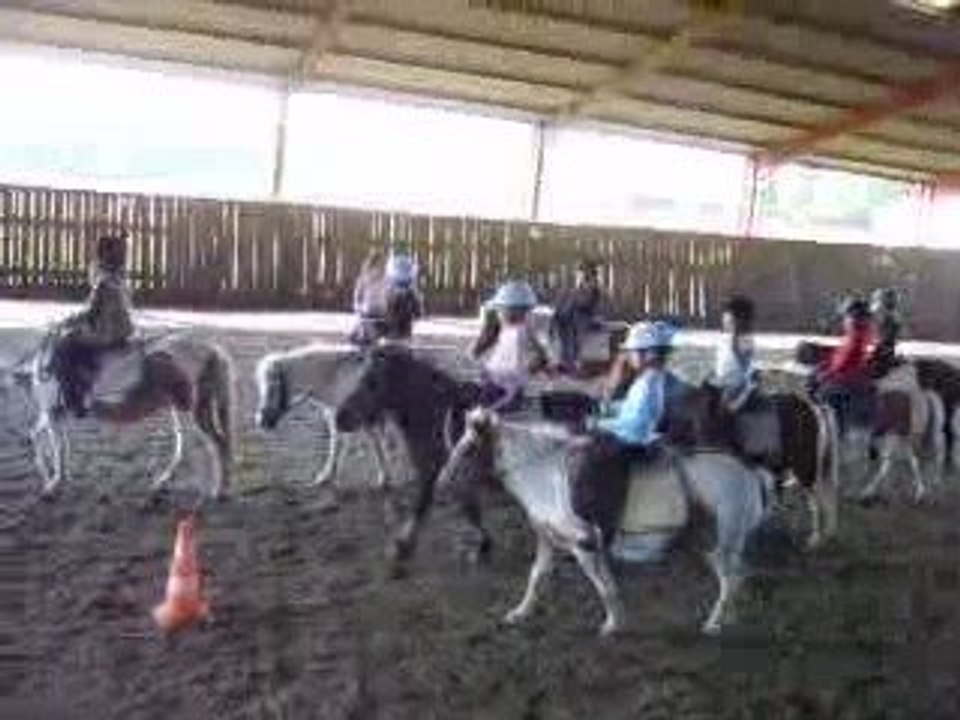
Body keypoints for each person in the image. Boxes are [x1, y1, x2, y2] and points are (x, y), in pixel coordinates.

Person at [571, 320, 679, 546]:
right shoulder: (648, 378)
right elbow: (630, 409)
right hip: (634, 433)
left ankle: (602, 524)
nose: (629, 357)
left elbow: (635, 423)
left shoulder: (649, 382)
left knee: (592, 460)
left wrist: (601, 425)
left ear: (648, 354)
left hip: (634, 439)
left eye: (633, 353)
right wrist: (608, 410)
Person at [49, 233, 135, 417]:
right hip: (124, 331)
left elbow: (90, 313)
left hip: (106, 333)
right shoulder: (120, 277)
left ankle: (73, 401)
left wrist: (65, 323)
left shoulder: (103, 283)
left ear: (101, 256)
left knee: (63, 347)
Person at [471, 280, 548, 412]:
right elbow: (541, 357)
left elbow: (541, 357)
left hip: (503, 392)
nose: (499, 313)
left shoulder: (520, 331)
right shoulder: (512, 331)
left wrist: (524, 373)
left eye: (500, 310)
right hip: (502, 389)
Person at [810, 296, 876, 433]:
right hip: (850, 376)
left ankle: (834, 430)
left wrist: (824, 375)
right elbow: (839, 358)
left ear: (853, 317)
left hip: (850, 381)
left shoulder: (857, 337)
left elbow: (846, 364)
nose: (845, 321)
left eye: (847, 317)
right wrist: (824, 366)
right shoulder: (856, 335)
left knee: (822, 392)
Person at [551, 259, 603, 374]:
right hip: (569, 316)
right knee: (560, 324)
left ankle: (571, 361)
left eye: (583, 273)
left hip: (583, 317)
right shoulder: (572, 289)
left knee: (573, 327)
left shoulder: (593, 288)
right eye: (579, 273)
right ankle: (561, 359)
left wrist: (577, 293)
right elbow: (563, 301)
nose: (580, 276)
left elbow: (585, 303)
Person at [711, 295, 760, 413]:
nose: (723, 319)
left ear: (739, 319)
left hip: (738, 385)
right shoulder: (727, 338)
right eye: (724, 316)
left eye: (727, 316)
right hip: (724, 381)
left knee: (723, 409)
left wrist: (736, 348)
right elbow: (723, 364)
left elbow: (745, 366)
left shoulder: (744, 338)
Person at [349, 250, 391, 347]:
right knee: (364, 330)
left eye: (382, 266)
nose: (379, 269)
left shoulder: (387, 279)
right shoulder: (363, 279)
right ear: (370, 266)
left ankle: (372, 337)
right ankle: (366, 336)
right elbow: (357, 297)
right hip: (368, 311)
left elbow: (390, 297)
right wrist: (359, 309)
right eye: (376, 266)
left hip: (381, 312)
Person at [381, 253, 423, 343]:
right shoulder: (406, 288)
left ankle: (396, 334)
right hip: (397, 326)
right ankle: (396, 333)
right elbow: (418, 311)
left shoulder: (409, 289)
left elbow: (418, 309)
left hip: (398, 325)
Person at [870, 286, 903, 379]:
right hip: (884, 346)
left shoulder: (890, 313)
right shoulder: (886, 312)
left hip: (885, 347)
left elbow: (891, 331)